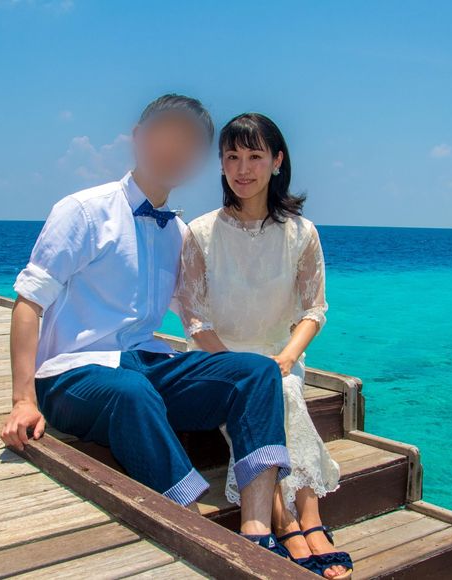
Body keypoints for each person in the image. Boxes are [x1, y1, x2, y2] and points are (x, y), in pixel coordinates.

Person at [0, 95, 294, 558]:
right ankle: (197, 530)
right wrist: (23, 401)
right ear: (138, 138)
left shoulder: (177, 234)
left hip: (147, 363)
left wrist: (234, 361)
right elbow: (28, 302)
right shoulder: (84, 210)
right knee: (132, 392)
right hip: (71, 375)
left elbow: (193, 315)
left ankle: (257, 532)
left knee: (255, 372)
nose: (174, 151)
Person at [176, 112, 353, 578]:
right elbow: (194, 319)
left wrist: (287, 357)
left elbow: (314, 310)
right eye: (232, 156)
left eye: (255, 156)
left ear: (277, 161)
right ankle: (297, 522)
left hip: (280, 358)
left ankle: (300, 518)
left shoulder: (302, 233)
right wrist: (237, 367)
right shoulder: (200, 233)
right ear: (220, 164)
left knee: (283, 387)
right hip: (216, 361)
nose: (242, 168)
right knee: (264, 390)